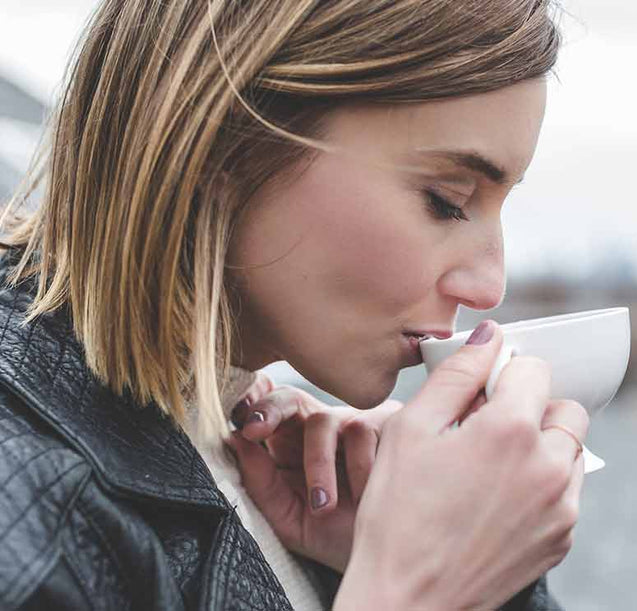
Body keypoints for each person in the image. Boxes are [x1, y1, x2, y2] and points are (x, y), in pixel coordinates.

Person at [0, 0, 589, 609]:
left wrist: (447, 557)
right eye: (447, 200)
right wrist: (416, 590)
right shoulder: (29, 517)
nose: (489, 284)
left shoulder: (252, 461)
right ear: (225, 142)